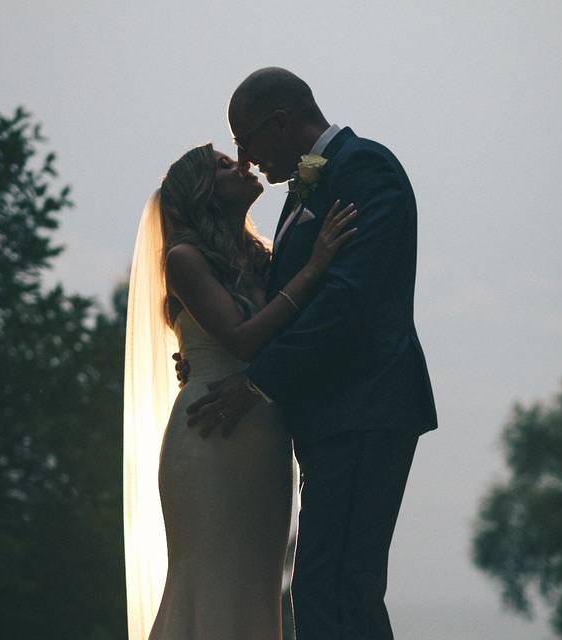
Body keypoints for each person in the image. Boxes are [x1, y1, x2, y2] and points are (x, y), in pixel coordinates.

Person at [181, 67, 438, 640]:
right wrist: (219, 361)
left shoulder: (366, 169)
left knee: (336, 586)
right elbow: (284, 302)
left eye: (244, 141)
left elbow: (350, 298)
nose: (245, 160)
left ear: (280, 122)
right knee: (334, 587)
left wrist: (256, 383)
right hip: (333, 417)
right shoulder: (306, 191)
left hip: (365, 408)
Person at [122, 142, 359, 640]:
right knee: (211, 575)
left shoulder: (261, 258)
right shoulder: (184, 259)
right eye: (225, 165)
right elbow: (243, 337)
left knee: (256, 580)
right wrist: (314, 269)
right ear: (203, 191)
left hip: (265, 431)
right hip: (210, 432)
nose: (244, 164)